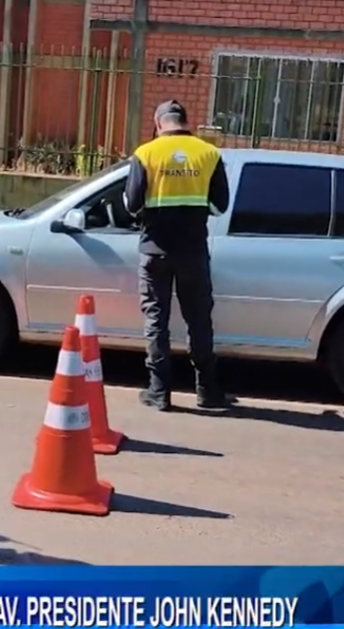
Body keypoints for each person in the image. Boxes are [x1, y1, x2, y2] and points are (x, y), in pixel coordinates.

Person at [123, 100, 234, 411]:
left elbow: (131, 204)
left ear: (159, 124)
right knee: (198, 320)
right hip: (193, 252)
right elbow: (220, 205)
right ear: (186, 122)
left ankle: (159, 393)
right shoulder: (209, 154)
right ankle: (207, 392)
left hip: (154, 251)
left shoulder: (145, 153)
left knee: (156, 320)